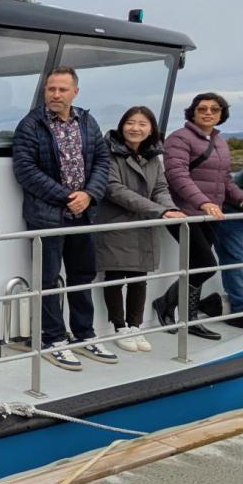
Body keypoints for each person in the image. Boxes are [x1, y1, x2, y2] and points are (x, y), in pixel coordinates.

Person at [10, 66, 114, 370]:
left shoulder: (87, 121)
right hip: (47, 217)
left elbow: (102, 161)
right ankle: (53, 339)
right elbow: (25, 170)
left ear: (75, 92)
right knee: (49, 280)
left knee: (82, 276)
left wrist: (89, 194)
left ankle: (84, 334)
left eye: (62, 89)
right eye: (51, 89)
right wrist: (68, 196)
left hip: (84, 213)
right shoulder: (31, 125)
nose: (56, 94)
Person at [158, 91, 243, 337]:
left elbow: (225, 181)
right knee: (205, 266)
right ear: (192, 112)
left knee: (197, 267)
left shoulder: (219, 141)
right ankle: (176, 310)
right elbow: (177, 176)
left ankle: (179, 313)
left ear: (222, 114)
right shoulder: (179, 138)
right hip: (184, 213)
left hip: (209, 215)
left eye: (215, 109)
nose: (208, 112)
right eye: (202, 108)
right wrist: (203, 203)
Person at [91, 106, 184, 353]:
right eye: (131, 123)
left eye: (142, 124)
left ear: (151, 129)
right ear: (122, 126)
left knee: (139, 279)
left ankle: (135, 326)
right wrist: (159, 211)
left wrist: (169, 208)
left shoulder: (153, 157)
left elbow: (161, 188)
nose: (136, 128)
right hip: (116, 224)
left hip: (143, 225)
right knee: (114, 277)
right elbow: (114, 189)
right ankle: (119, 326)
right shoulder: (108, 154)